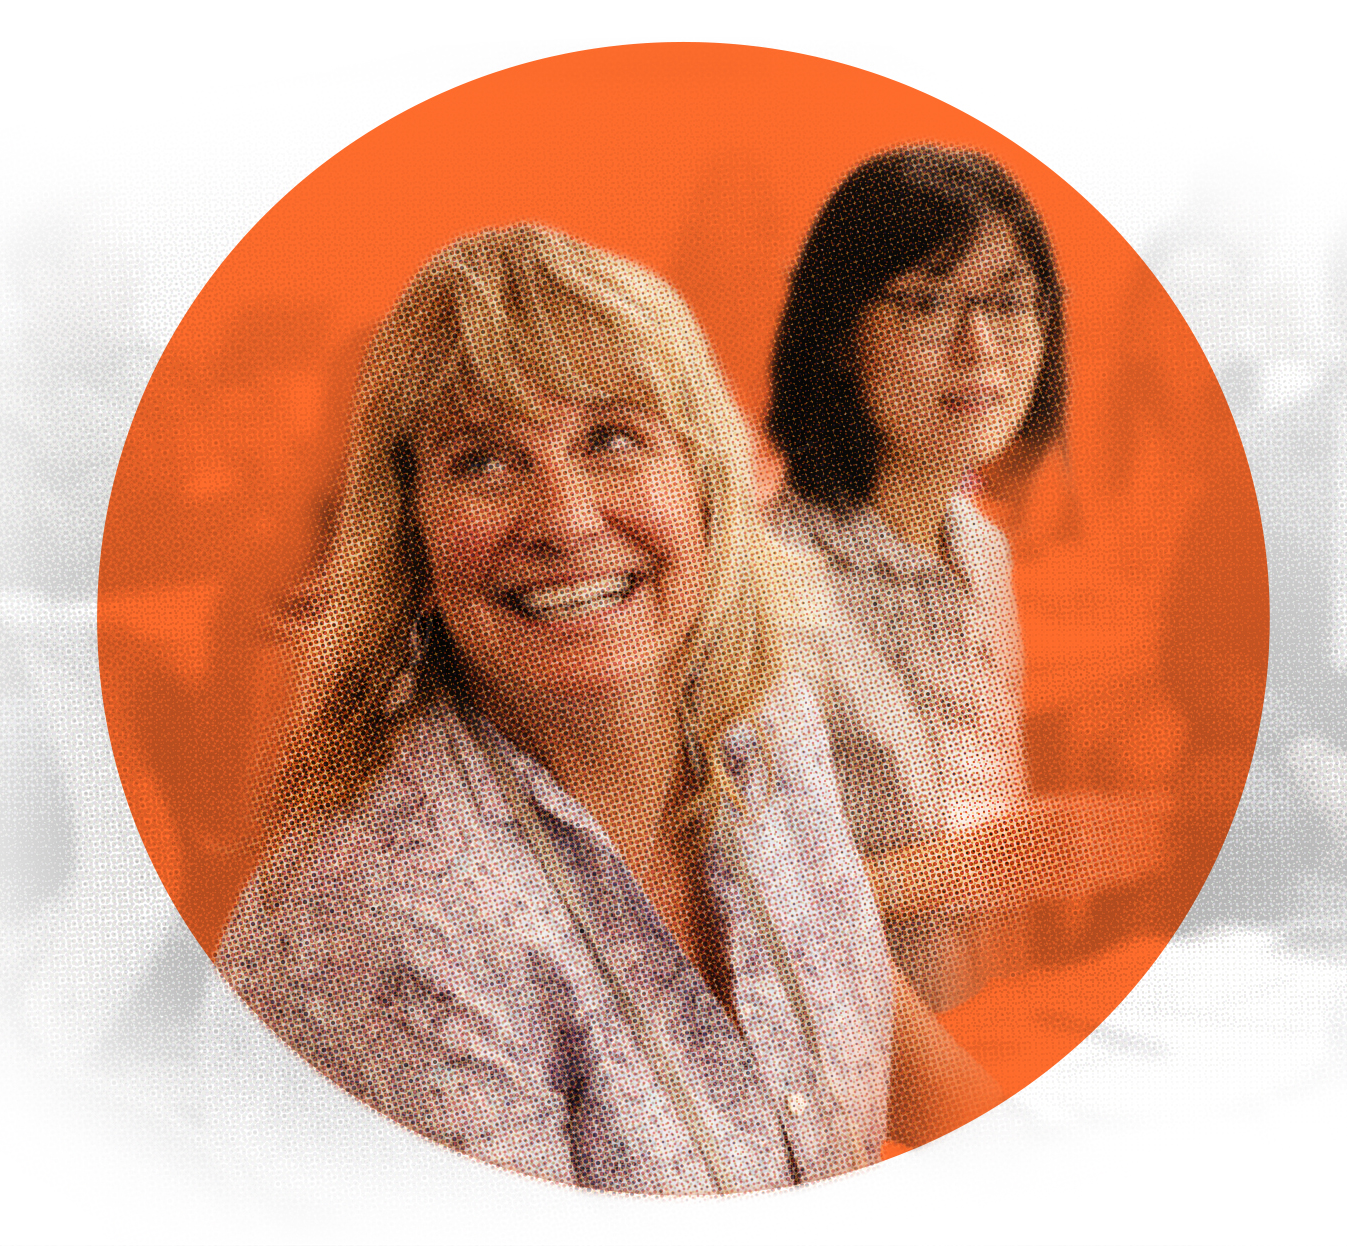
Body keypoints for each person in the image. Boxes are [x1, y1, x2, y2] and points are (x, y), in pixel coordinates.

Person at [212, 223, 1001, 1195]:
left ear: (710, 488)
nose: (565, 519)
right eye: (484, 463)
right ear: (413, 542)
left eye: (613, 439)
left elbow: (851, 978)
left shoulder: (761, 707)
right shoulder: (393, 920)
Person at [767, 146, 1128, 1009]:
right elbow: (751, 914)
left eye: (1007, 304)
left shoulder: (979, 547)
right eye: (927, 304)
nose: (979, 347)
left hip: (990, 1027)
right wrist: (1011, 858)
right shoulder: (768, 582)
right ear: (839, 338)